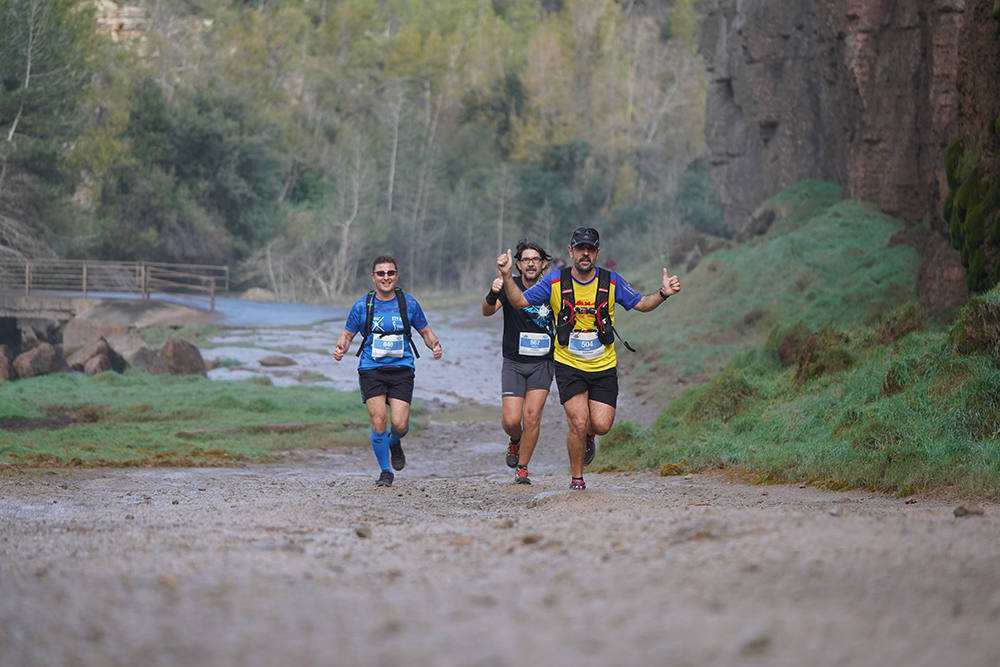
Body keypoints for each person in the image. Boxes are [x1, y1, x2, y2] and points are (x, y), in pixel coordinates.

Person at [497, 226, 681, 490]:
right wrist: (506, 276)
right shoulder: (555, 282)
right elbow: (518, 302)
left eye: (590, 249)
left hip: (604, 365)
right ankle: (577, 479)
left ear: (597, 253)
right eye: (580, 249)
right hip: (568, 363)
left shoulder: (611, 281)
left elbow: (641, 303)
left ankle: (590, 436)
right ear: (571, 251)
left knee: (601, 424)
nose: (585, 254)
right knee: (578, 422)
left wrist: (663, 294)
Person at [332, 255, 443, 487]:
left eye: (390, 273)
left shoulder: (409, 303)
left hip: (402, 368)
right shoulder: (363, 305)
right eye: (381, 273)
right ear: (373, 277)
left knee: (400, 425)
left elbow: (425, 331)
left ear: (396, 275)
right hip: (371, 368)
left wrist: (434, 344)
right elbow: (347, 334)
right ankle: (385, 471)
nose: (386, 277)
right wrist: (341, 347)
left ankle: (394, 442)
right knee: (378, 421)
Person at [482, 238, 554, 485]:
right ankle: (515, 441)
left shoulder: (553, 287)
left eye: (535, 259)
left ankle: (523, 468)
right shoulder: (508, 284)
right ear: (519, 265)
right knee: (512, 421)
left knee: (532, 416)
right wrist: (493, 293)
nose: (531, 264)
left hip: (543, 363)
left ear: (543, 263)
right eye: (526, 260)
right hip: (513, 361)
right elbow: (487, 312)